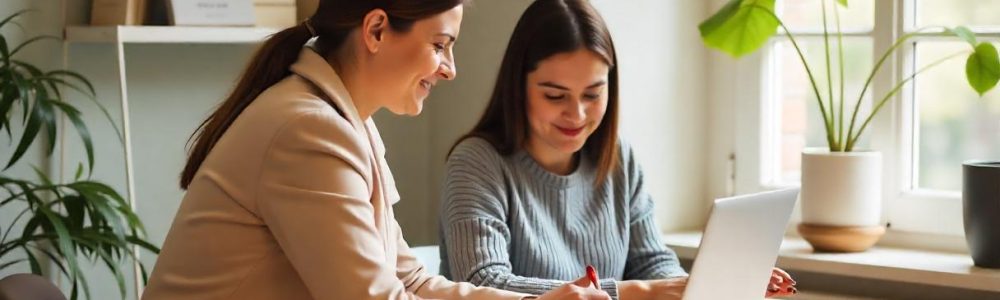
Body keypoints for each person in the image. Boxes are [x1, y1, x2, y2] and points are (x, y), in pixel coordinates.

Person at [142, 1, 611, 299]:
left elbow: (412, 281)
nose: (450, 69)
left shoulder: (346, 123)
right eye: (441, 45)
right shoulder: (308, 131)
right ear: (377, 30)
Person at [438, 1, 797, 299]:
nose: (576, 114)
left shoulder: (617, 158)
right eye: (555, 95)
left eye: (593, 94)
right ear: (518, 86)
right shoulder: (477, 162)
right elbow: (484, 285)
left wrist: (703, 287)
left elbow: (653, 263)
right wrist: (642, 291)